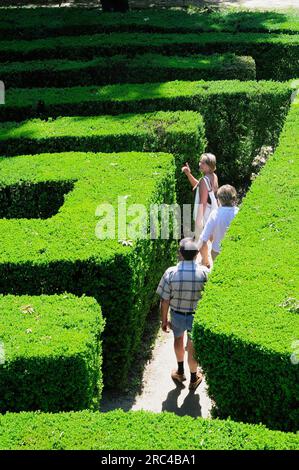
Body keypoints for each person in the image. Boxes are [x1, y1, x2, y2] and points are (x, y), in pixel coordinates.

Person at [156, 238, 209, 391]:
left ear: (180, 253)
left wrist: (164, 320)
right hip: (196, 316)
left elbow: (164, 299)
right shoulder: (205, 273)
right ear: (196, 254)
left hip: (177, 315)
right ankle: (194, 378)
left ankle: (180, 372)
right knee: (192, 347)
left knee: (178, 340)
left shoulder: (170, 272)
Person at [198, 184, 239, 266]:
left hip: (217, 251)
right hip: (236, 250)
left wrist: (205, 260)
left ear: (219, 199)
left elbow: (204, 239)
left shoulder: (215, 214)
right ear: (234, 198)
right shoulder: (239, 212)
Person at [181, 153, 218, 240]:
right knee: (210, 239)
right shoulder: (213, 176)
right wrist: (188, 174)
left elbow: (203, 202)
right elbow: (199, 186)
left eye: (203, 163)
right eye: (200, 162)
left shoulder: (204, 181)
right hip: (212, 213)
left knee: (201, 241)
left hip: (205, 216)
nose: (200, 164)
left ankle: (206, 254)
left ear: (210, 165)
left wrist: (198, 221)